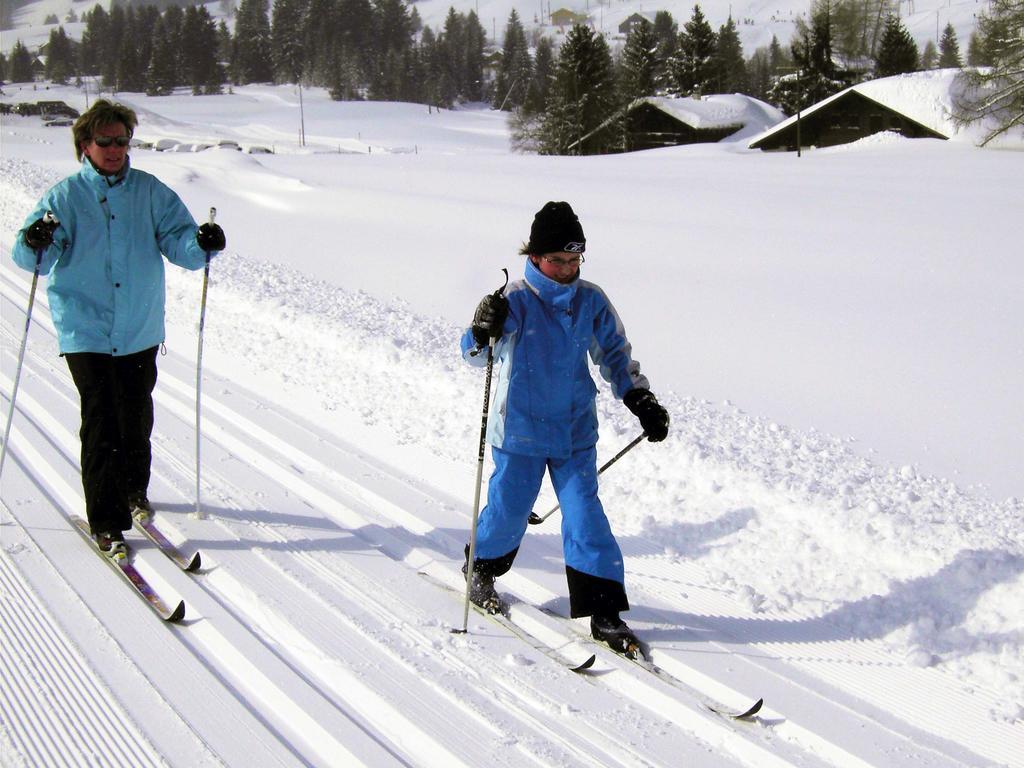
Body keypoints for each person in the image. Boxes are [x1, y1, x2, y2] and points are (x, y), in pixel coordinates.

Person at [10, 99, 225, 558]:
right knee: (102, 419)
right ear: (85, 145)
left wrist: (202, 243)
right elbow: (33, 260)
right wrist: (36, 241)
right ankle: (106, 520)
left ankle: (132, 492)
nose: (113, 149)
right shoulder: (64, 197)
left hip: (138, 327)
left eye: (121, 141)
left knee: (135, 416)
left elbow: (179, 242)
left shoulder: (149, 192)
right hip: (84, 327)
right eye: (103, 141)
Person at [460, 201, 669, 656]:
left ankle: (604, 612)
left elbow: (615, 353)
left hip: (575, 429)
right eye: (558, 260)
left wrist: (640, 398)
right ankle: (481, 569)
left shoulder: (590, 300)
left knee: (585, 515)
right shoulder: (513, 301)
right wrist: (479, 331)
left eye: (575, 260)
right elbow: (477, 356)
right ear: (534, 256)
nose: (567, 269)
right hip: (519, 430)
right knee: (509, 509)